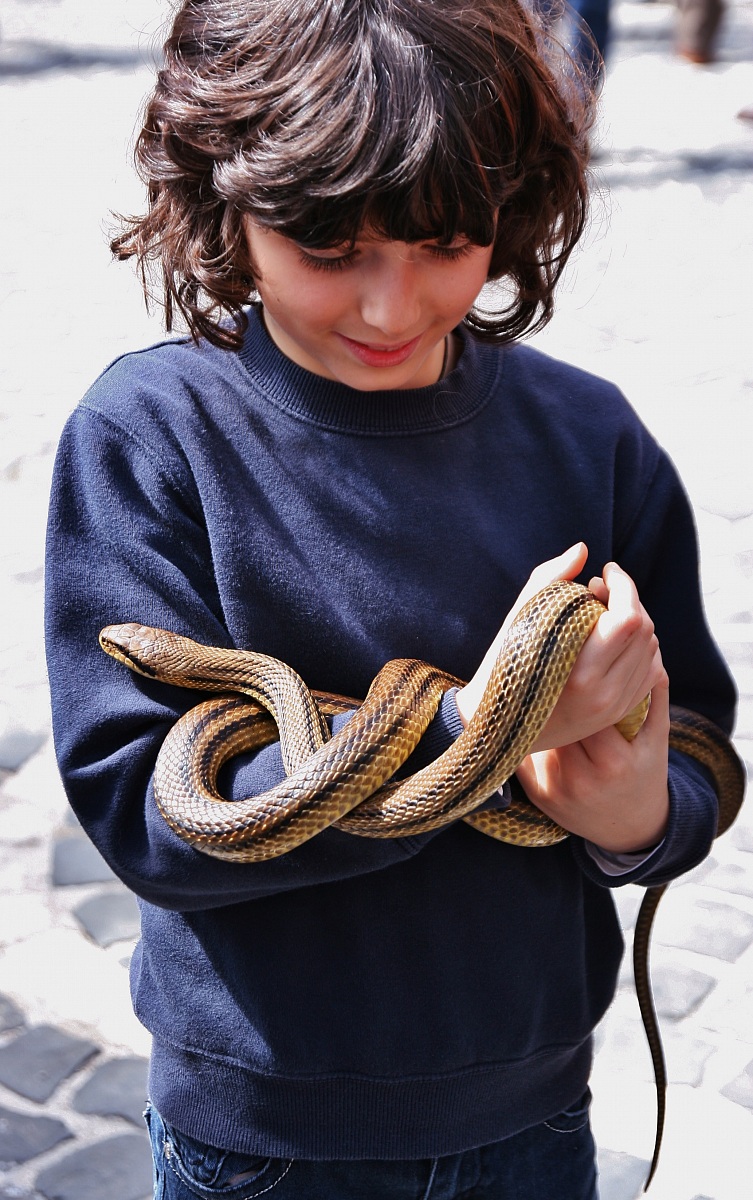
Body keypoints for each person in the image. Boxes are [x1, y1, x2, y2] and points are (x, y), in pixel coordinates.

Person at [44, 0, 736, 1196]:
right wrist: (482, 728)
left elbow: (701, 758)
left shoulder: (589, 440)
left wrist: (627, 805)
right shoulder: (151, 440)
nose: (389, 306)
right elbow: (149, 813)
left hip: (527, 1102)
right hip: (261, 1132)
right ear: (225, 199)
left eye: (446, 244)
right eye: (329, 251)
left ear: (513, 216)